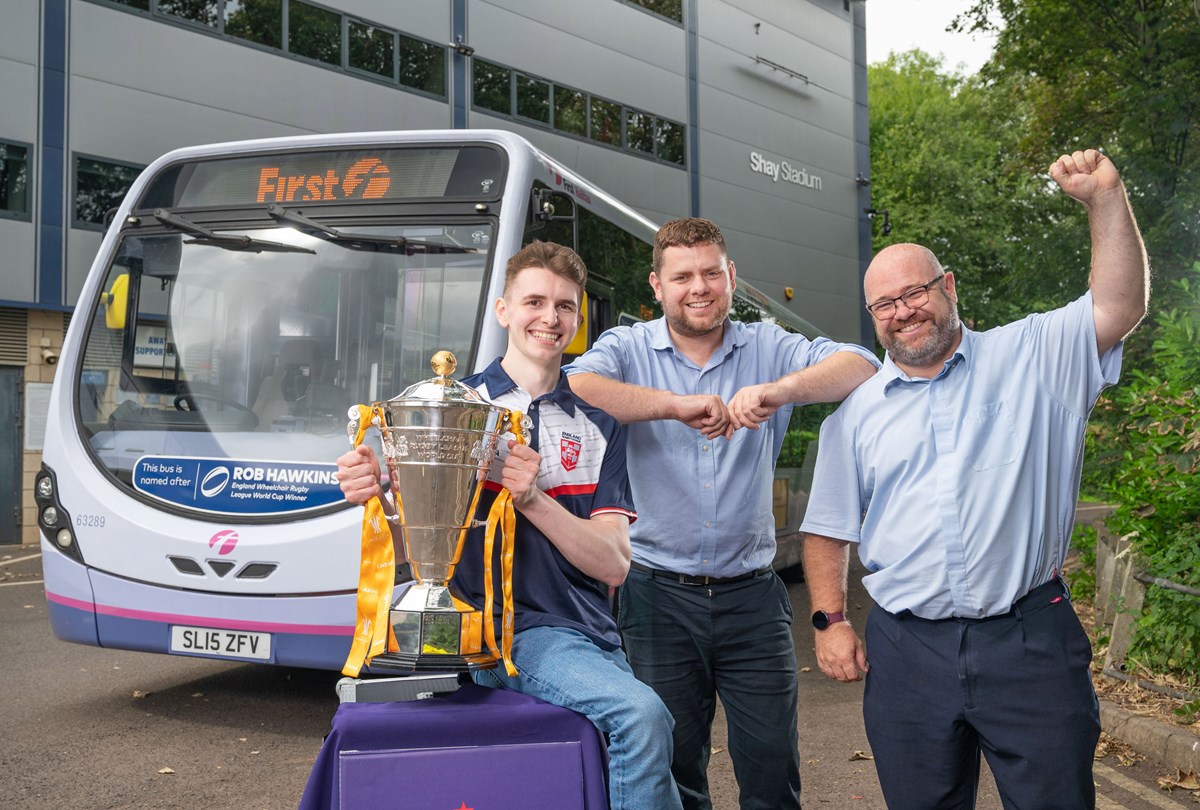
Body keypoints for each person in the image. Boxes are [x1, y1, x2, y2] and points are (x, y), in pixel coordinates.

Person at [801, 149, 1150, 809]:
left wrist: (1104, 200)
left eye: (914, 292)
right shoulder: (855, 417)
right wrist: (828, 620)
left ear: (949, 287)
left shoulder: (1036, 356)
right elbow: (827, 527)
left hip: (1028, 642)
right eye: (885, 304)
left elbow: (1118, 305)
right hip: (907, 652)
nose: (903, 311)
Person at [336, 241, 684, 810]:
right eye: (534, 302)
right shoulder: (452, 409)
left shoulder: (598, 426)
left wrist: (533, 499)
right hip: (498, 634)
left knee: (658, 765)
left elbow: (614, 564)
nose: (550, 318)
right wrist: (374, 496)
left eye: (565, 307)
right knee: (642, 719)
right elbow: (413, 547)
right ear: (503, 310)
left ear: (578, 320)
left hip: (583, 634)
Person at [566, 217, 880, 809]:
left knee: (771, 766)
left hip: (752, 600)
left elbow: (862, 363)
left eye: (711, 272)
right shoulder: (628, 348)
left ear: (731, 277)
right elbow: (575, 384)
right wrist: (673, 406)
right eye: (682, 276)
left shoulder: (766, 345)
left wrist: (777, 391)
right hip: (656, 597)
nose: (699, 286)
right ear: (657, 287)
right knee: (673, 767)